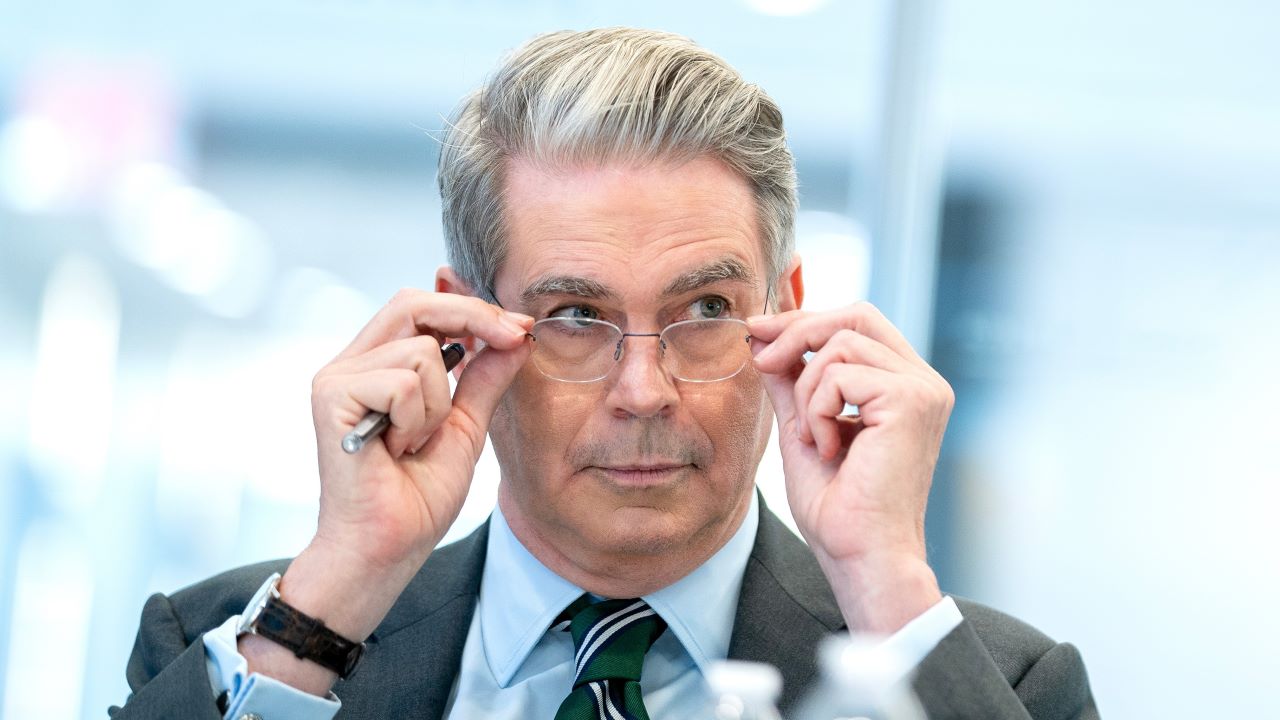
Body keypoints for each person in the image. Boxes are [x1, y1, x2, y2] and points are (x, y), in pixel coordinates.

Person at [112, 27, 1098, 719]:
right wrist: (334, 598)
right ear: (462, 332)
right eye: (575, 318)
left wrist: (883, 589)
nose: (644, 393)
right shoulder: (231, 648)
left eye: (705, 310)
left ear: (787, 312)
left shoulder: (1003, 685)